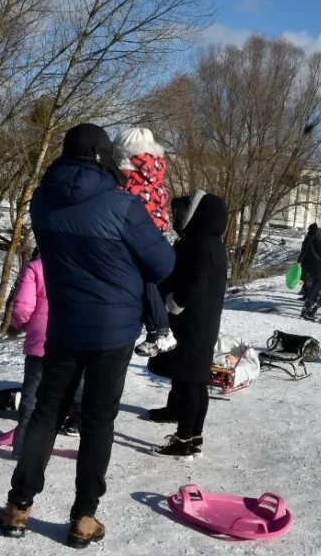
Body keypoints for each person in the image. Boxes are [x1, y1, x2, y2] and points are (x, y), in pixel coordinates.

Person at [0, 123, 175, 547]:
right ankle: (83, 517)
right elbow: (163, 265)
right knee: (98, 422)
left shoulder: (41, 200)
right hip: (112, 332)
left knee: (45, 414)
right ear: (105, 158)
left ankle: (19, 506)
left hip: (63, 325)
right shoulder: (123, 205)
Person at [146, 192, 228, 457]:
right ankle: (193, 436)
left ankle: (184, 440)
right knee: (192, 380)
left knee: (192, 382)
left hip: (193, 323)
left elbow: (196, 285)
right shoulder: (209, 242)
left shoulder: (202, 244)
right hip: (201, 323)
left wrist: (173, 302)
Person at [112, 127, 173, 358]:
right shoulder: (155, 174)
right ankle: (158, 329)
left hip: (137, 233)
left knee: (144, 280)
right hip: (154, 232)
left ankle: (160, 330)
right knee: (147, 281)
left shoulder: (128, 177)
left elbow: (117, 203)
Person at [9, 249, 49, 458]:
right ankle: (92, 447)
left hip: (41, 340)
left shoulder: (35, 267)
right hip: (74, 337)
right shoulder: (80, 263)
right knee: (78, 392)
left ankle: (23, 447)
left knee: (31, 395)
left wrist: (18, 326)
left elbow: (23, 307)